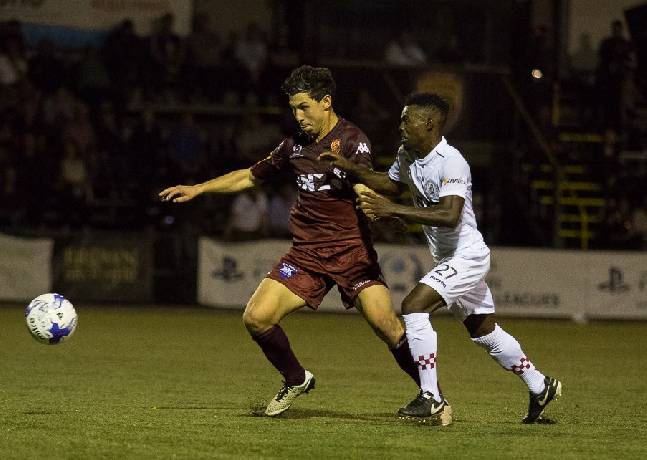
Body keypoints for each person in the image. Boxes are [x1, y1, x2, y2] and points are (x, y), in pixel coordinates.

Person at [159, 65, 423, 418]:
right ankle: (296, 379)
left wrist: (374, 204)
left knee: (387, 326)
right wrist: (199, 188)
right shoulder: (292, 146)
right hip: (306, 256)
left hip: (351, 252)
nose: (297, 116)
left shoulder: (352, 139)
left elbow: (362, 179)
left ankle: (431, 394)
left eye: (303, 107)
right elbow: (249, 177)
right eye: (293, 108)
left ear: (325, 102)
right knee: (256, 317)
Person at [320, 92, 562, 424]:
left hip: (467, 255)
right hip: (448, 257)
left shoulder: (452, 161)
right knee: (484, 332)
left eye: (408, 119)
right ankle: (540, 384)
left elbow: (450, 214)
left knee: (413, 306)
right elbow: (390, 185)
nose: (401, 125)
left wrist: (392, 211)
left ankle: (430, 396)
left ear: (430, 123)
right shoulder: (408, 154)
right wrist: (349, 168)